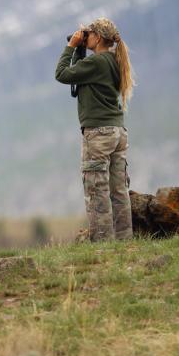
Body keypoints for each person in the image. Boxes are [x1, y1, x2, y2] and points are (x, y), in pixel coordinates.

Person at [55, 17, 135, 242]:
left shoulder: (97, 63)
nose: (84, 36)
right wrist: (81, 50)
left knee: (96, 191)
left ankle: (103, 245)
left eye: (88, 33)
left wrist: (71, 47)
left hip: (98, 135)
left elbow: (61, 74)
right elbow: (80, 75)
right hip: (117, 132)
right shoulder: (113, 60)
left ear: (98, 37)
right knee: (119, 191)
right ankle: (124, 241)